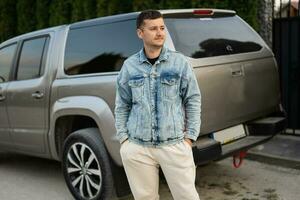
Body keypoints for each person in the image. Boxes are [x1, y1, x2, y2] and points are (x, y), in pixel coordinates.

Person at [114, 9, 201, 200]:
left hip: (174, 145)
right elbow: (122, 105)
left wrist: (189, 138)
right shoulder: (129, 66)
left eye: (162, 27)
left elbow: (192, 99)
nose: (160, 32)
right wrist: (124, 140)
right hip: (137, 147)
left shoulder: (179, 62)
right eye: (153, 28)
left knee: (187, 197)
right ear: (140, 33)